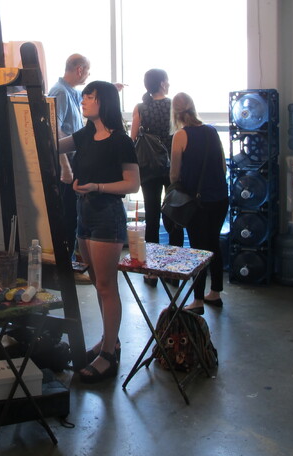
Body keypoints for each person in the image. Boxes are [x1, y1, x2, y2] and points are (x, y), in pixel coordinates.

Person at [58, 81, 140, 383]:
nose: (83, 102)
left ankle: (108, 354)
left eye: (89, 97)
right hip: (85, 213)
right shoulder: (85, 135)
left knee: (106, 286)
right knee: (97, 283)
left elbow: (132, 184)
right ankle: (109, 341)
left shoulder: (120, 140)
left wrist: (97, 187)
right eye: (83, 97)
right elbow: (54, 145)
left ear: (103, 101)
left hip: (107, 214)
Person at [169, 92, 229, 314]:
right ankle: (215, 292)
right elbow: (223, 166)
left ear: (175, 113)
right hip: (220, 198)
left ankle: (197, 300)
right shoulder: (212, 131)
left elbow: (174, 174)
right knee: (213, 244)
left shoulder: (180, 136)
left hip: (197, 201)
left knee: (198, 250)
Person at [48, 53, 91, 283]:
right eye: (87, 71)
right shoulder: (61, 92)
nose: (87, 76)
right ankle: (66, 269)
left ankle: (70, 264)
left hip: (75, 160)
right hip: (66, 162)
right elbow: (53, 130)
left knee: (73, 214)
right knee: (67, 216)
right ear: (80, 69)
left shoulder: (71, 92)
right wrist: (65, 166)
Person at [130, 69, 184, 248]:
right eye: (167, 81)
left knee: (151, 212)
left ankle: (151, 257)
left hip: (148, 165)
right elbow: (182, 134)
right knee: (174, 210)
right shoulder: (174, 105)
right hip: (172, 165)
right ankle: (176, 255)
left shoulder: (140, 108)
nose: (168, 84)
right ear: (162, 83)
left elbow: (133, 138)